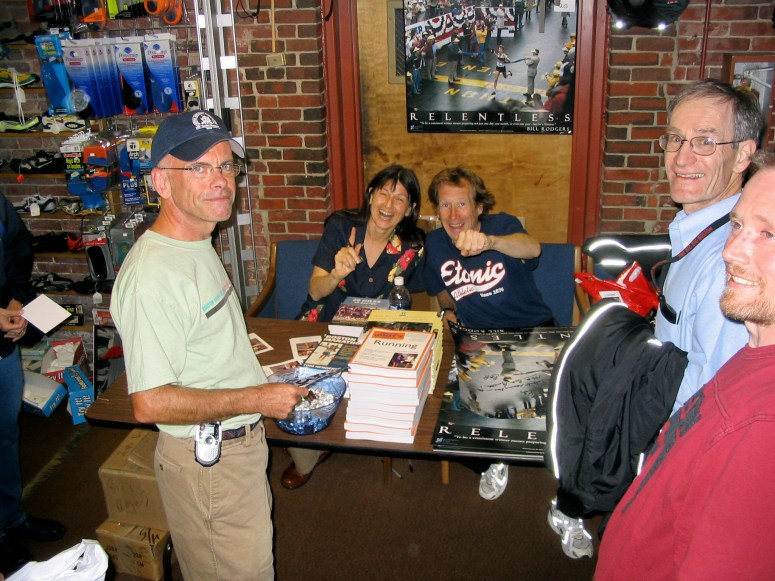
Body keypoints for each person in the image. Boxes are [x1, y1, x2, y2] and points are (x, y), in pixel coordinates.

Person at [547, 79, 762, 560]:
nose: (682, 157)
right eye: (675, 138)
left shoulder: (728, 263)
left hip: (672, 456)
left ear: (744, 153)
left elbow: (714, 402)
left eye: (706, 141)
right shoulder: (699, 229)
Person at [110, 110, 307, 581]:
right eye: (197, 168)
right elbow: (149, 402)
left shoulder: (198, 242)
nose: (219, 180)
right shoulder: (153, 277)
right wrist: (258, 398)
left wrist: (256, 378)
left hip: (232, 449)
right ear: (160, 181)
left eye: (225, 166)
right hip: (210, 465)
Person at [595, 149, 775, 580]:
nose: (731, 251)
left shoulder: (761, 430)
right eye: (736, 225)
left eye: (768, 234)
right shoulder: (752, 354)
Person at [287, 165, 426, 489]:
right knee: (304, 379)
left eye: (400, 198)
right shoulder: (341, 226)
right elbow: (315, 291)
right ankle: (307, 456)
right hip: (324, 321)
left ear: (409, 210)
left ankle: (366, 433)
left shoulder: (412, 246)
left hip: (375, 331)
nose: (389, 204)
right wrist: (336, 274)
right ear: (370, 195)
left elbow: (417, 293)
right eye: (384, 192)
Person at [423, 166, 554, 501]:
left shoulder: (503, 226)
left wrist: (490, 243)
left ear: (478, 207)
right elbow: (439, 289)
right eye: (445, 206)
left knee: (554, 419)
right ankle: (489, 461)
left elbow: (532, 248)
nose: (453, 215)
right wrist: (449, 309)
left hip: (533, 331)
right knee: (440, 419)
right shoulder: (435, 243)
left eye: (462, 204)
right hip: (478, 338)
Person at [0, 193, 65, 577]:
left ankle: (11, 518)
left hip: (3, 345)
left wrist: (14, 299)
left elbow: (17, 244)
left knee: (5, 435)